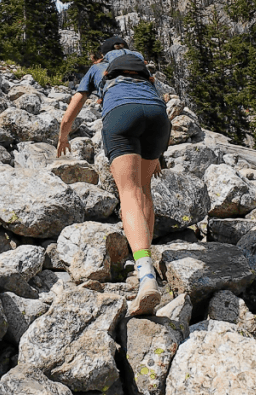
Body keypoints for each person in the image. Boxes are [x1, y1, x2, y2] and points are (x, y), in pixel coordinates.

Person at [57, 36, 171, 316]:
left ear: (104, 54)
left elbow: (75, 105)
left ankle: (146, 277)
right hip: (158, 120)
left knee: (128, 193)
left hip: (121, 115)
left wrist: (62, 134)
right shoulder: (142, 68)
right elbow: (154, 101)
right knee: (144, 190)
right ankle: (147, 257)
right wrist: (157, 155)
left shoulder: (98, 68)